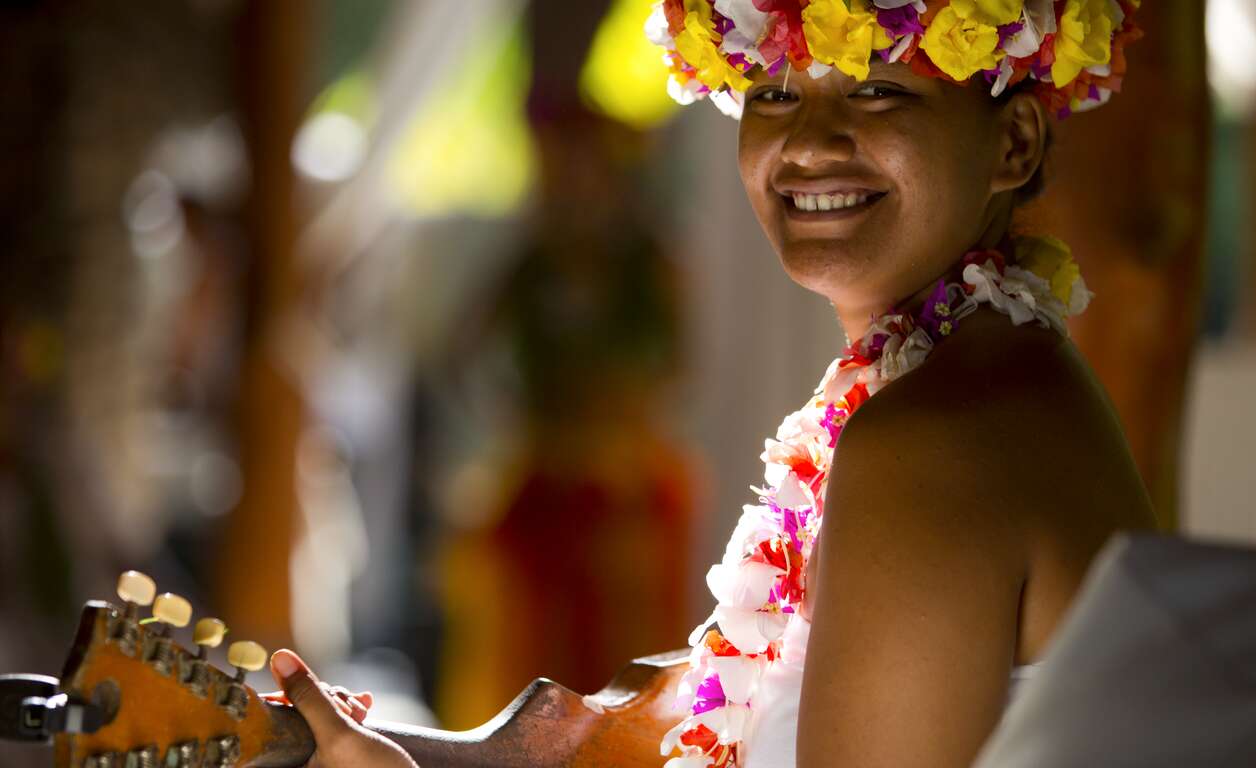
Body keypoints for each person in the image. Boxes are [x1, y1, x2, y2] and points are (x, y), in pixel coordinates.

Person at [274, 1, 1154, 766]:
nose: (808, 142)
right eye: (773, 92)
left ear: (1014, 140)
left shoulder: (932, 435)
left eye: (877, 88)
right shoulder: (968, 376)